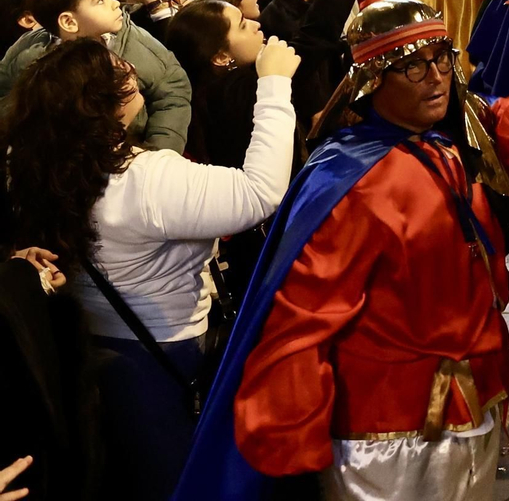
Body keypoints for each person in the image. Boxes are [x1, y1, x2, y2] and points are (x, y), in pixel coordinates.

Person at [174, 0, 509, 501]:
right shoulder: (352, 183)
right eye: (412, 65)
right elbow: (302, 318)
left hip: (472, 397)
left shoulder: (439, 141)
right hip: (388, 435)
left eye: (441, 58)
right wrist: (289, 437)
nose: (435, 77)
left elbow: (484, 118)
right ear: (372, 79)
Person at [0, 36, 299, 501]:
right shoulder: (147, 180)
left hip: (81, 344)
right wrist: (275, 85)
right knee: (174, 481)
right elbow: (260, 193)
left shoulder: (27, 162)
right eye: (118, 71)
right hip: (160, 353)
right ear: (99, 104)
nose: (133, 72)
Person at [0, 0, 192, 152]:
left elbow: (172, 93)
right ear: (68, 21)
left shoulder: (135, 45)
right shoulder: (28, 54)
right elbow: (6, 95)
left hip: (127, 159)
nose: (116, 3)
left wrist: (158, 154)